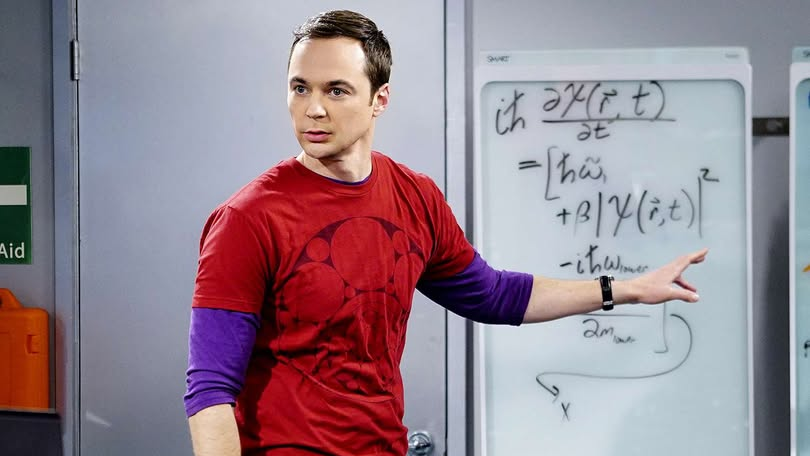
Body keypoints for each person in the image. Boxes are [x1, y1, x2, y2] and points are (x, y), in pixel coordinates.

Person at [184, 9, 708, 456]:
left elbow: (494, 294)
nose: (313, 108)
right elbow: (210, 391)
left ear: (379, 99)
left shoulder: (415, 197)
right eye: (300, 88)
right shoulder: (248, 219)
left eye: (336, 90)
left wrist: (626, 289)